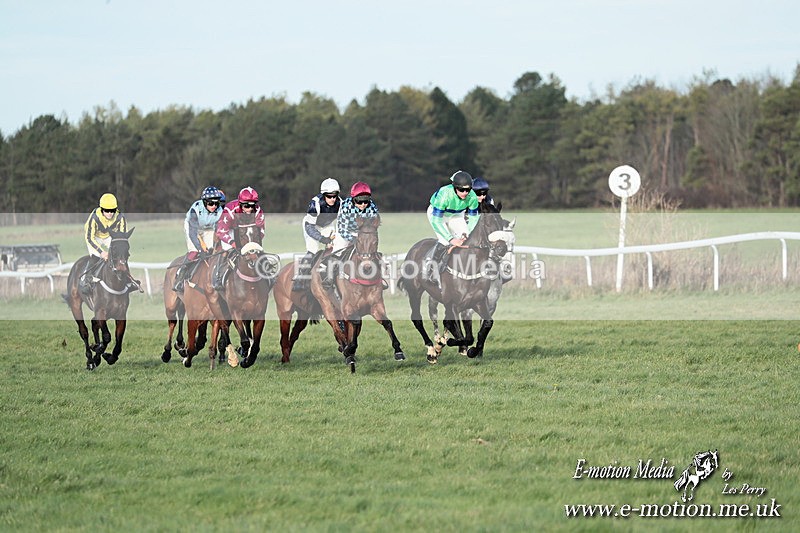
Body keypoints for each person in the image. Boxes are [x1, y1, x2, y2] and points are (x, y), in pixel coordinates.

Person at [425, 170, 480, 286]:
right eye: (461, 190)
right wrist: (451, 239)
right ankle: (431, 269)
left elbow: (474, 218)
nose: (465, 193)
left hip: (456, 215)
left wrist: (467, 233)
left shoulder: (472, 196)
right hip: (437, 216)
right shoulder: (444, 195)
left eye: (468, 190)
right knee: (445, 241)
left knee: (467, 239)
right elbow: (436, 221)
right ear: (455, 187)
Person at [321, 181, 379, 289]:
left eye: (366, 201)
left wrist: (366, 238)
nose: (363, 204)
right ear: (353, 199)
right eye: (359, 201)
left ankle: (379, 277)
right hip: (346, 231)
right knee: (338, 250)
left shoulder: (372, 207)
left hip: (362, 233)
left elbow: (373, 227)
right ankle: (329, 277)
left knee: (371, 249)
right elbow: (342, 228)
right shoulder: (345, 206)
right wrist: (353, 239)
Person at [80, 193, 138, 294]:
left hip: (110, 236)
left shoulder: (120, 217)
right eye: (107, 211)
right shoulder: (94, 217)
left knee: (120, 255)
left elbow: (122, 237)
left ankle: (129, 280)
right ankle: (87, 281)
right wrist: (101, 252)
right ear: (102, 209)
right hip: (95, 237)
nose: (110, 213)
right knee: (95, 257)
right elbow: (89, 238)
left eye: (112, 210)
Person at [212, 186, 265, 291]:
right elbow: (221, 231)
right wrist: (233, 243)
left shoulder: (258, 210)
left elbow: (261, 230)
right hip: (231, 229)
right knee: (227, 250)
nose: (250, 209)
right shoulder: (229, 210)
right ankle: (219, 275)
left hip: (248, 230)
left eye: (252, 205)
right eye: (246, 206)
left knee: (257, 250)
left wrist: (254, 245)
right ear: (240, 204)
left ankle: (267, 272)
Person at [173, 186, 225, 292]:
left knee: (211, 250)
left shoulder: (220, 211)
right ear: (204, 202)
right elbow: (193, 233)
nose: (214, 206)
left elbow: (217, 229)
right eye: (211, 203)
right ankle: (180, 276)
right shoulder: (195, 209)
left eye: (216, 203)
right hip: (193, 227)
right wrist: (200, 249)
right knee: (195, 251)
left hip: (207, 227)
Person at [292, 178, 341, 291]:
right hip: (312, 226)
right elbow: (309, 227)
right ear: (323, 195)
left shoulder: (340, 203)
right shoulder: (315, 204)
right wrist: (322, 239)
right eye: (329, 196)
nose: (332, 199)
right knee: (313, 250)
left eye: (335, 196)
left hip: (327, 225)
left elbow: (341, 222)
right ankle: (300, 277)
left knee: (336, 248)